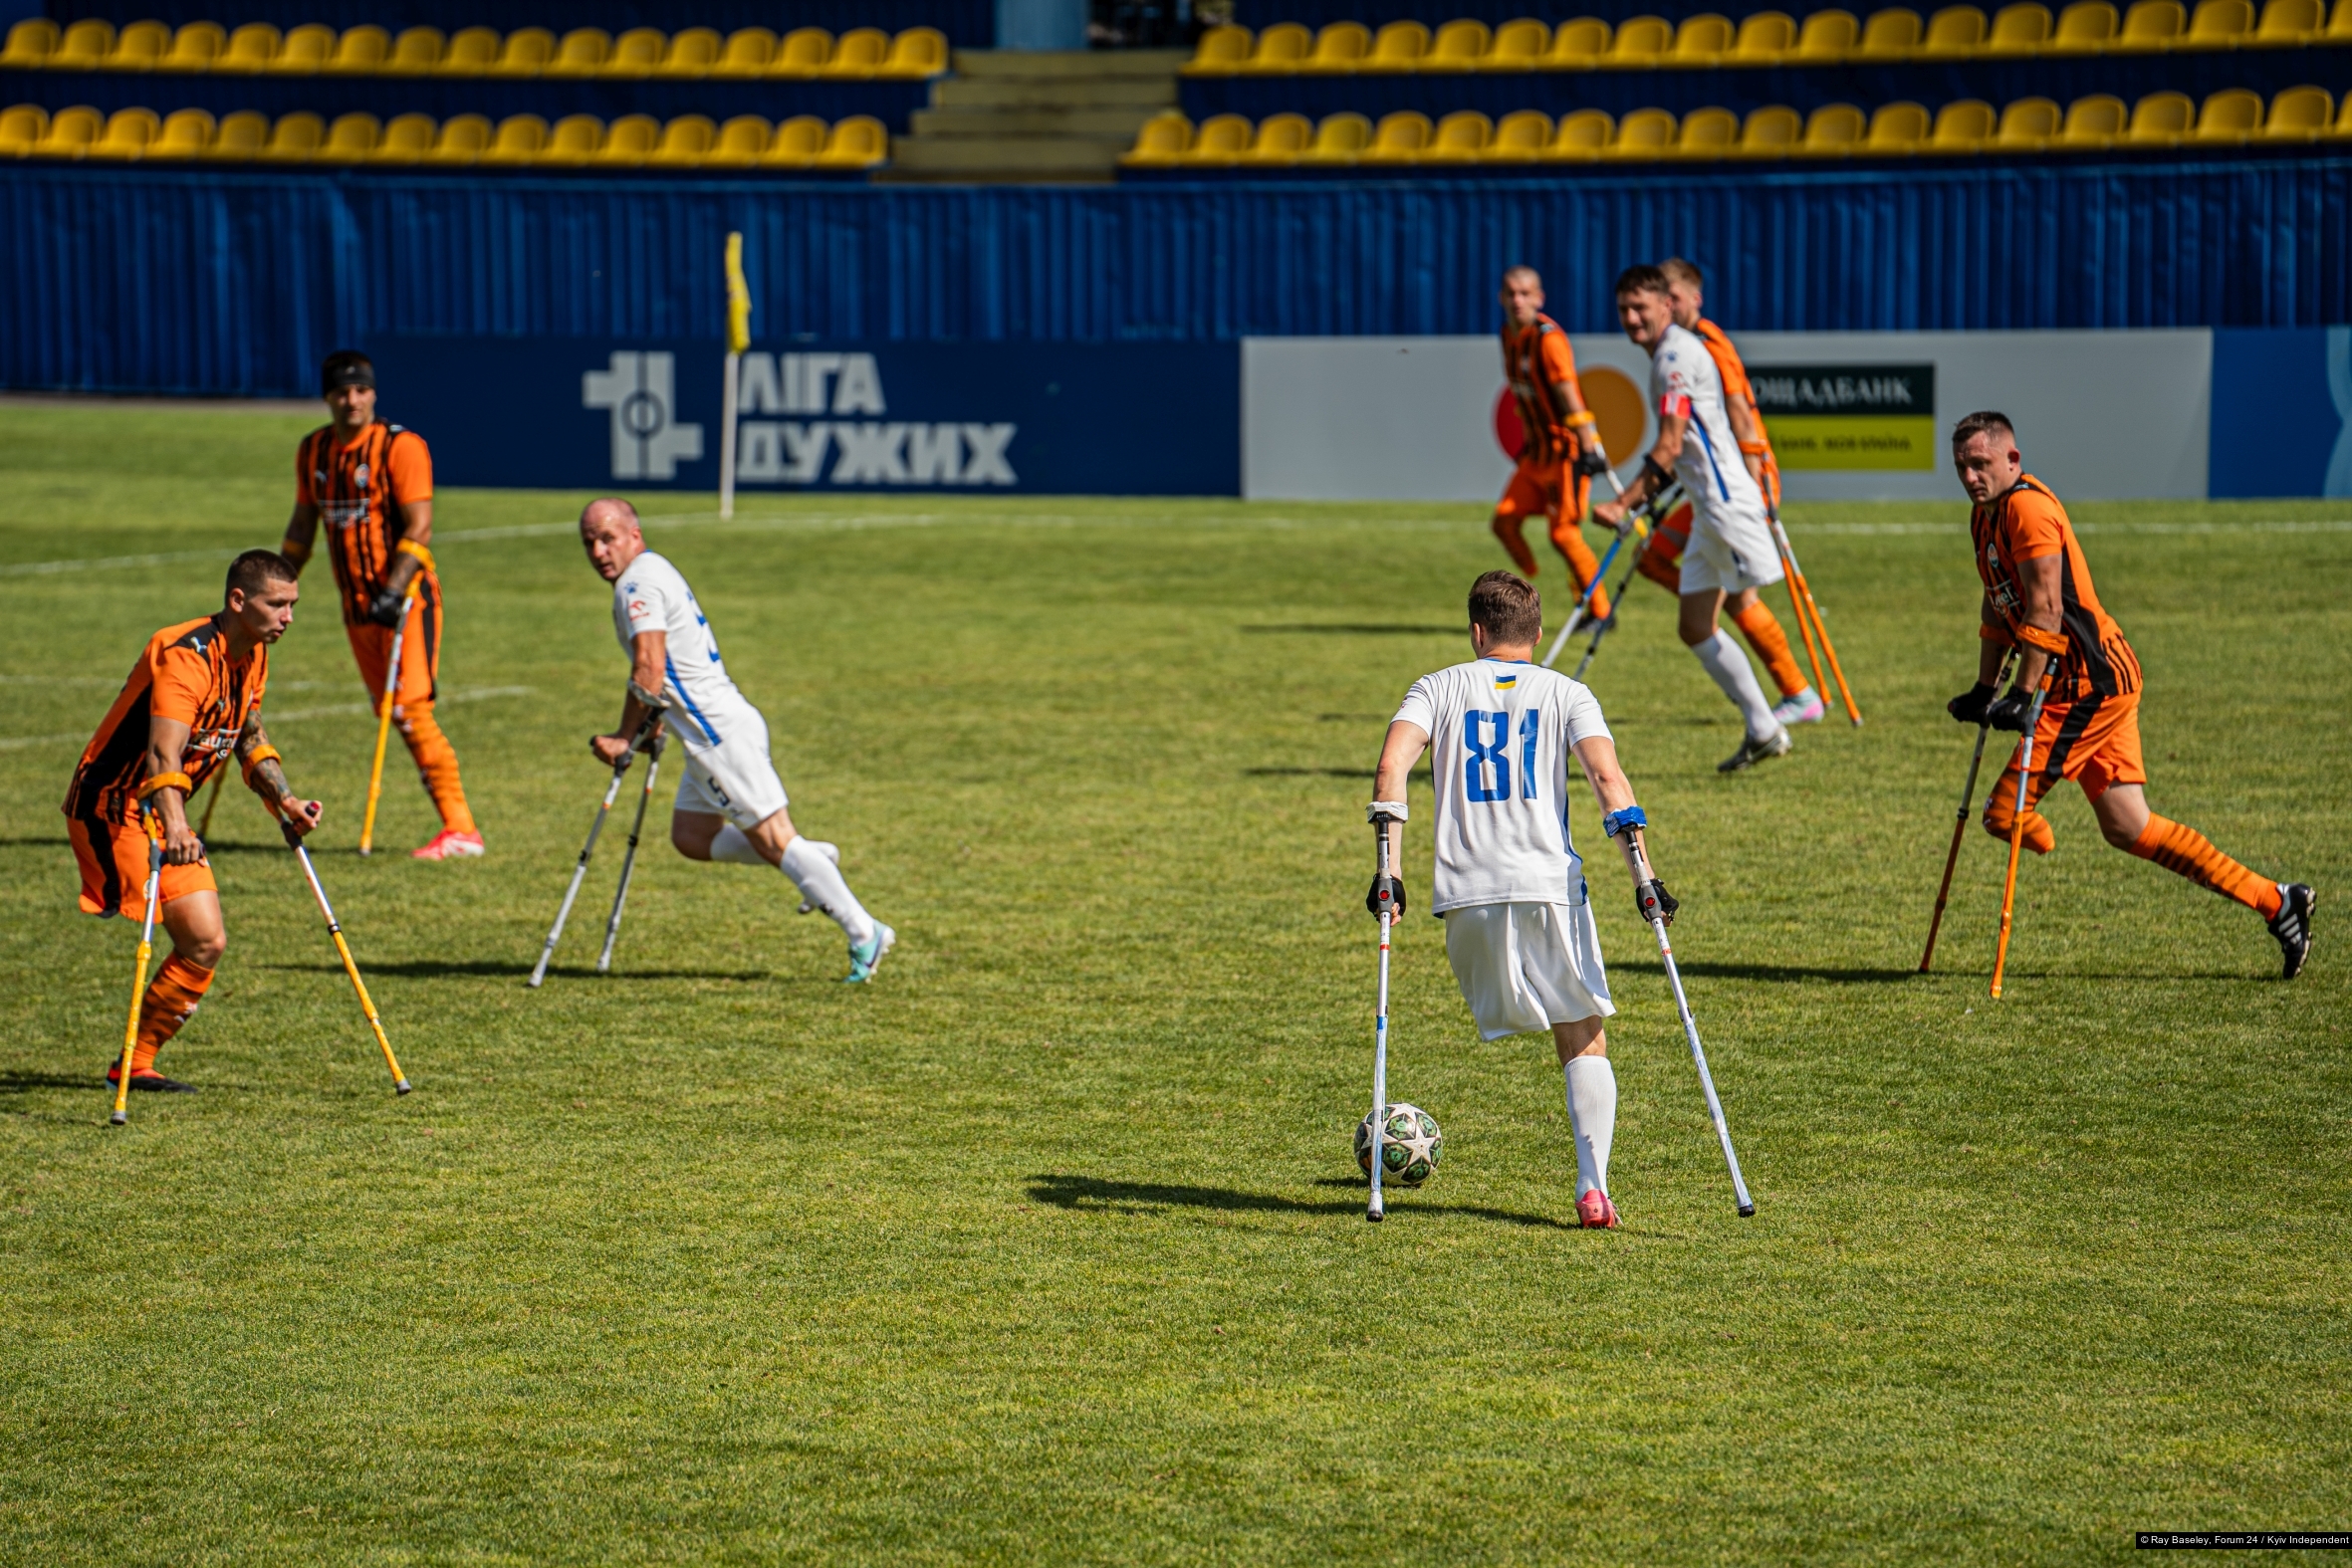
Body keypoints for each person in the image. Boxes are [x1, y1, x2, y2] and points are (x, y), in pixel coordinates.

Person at [1950, 412, 2313, 979]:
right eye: (1962, 468)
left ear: (2012, 461)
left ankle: (2042, 841)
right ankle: (2278, 901)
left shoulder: (2027, 508)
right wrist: (1982, 685)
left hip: (2088, 685)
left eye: (1981, 464)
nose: (1971, 477)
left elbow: (2045, 607)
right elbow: (1999, 604)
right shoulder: (1984, 518)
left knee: (2003, 814)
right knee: (2130, 828)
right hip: (2089, 681)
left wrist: (2020, 696)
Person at [1368, 570, 1679, 1229]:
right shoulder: (1568, 691)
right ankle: (1593, 1186)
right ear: (1537, 634)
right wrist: (1643, 875)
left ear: (1476, 631)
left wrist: (1387, 869)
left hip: (1467, 897)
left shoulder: (1436, 687)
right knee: (1582, 1032)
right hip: (1549, 889)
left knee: (1547, 1020)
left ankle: (1593, 1183)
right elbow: (1606, 778)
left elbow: (1391, 766)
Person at [578, 498, 894, 983]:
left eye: (607, 537)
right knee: (691, 837)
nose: (599, 550)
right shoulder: (652, 570)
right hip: (713, 728)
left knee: (773, 840)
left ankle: (864, 932)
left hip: (715, 735)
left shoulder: (637, 583)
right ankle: (809, 859)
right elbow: (666, 668)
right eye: (589, 543)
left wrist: (625, 737)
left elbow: (649, 667)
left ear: (634, 534)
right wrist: (652, 726)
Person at [65, 551, 325, 1093]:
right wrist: (178, 828)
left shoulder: (253, 652)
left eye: (293, 605)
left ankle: (135, 1064)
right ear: (238, 600)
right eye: (277, 604)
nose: (288, 618)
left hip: (164, 814)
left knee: (206, 942)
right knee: (180, 925)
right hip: (114, 806)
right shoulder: (185, 655)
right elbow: (164, 755)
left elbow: (247, 735)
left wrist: (287, 800)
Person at [280, 348, 482, 860]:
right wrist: (278, 585)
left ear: (373, 393)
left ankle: (461, 830)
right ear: (327, 396)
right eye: (342, 391)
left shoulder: (401, 447)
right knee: (390, 711)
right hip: (356, 608)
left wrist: (394, 590)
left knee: (412, 710)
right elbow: (304, 525)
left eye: (362, 390)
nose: (353, 400)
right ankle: (455, 827)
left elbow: (420, 526)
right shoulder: (314, 452)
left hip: (408, 601)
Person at [1593, 265, 1793, 773]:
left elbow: (1669, 441)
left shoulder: (1675, 355)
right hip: (1709, 511)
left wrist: (1624, 503)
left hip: (1727, 510)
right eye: (1624, 309)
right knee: (1694, 624)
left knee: (1743, 604)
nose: (1632, 317)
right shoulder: (1669, 353)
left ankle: (1797, 696)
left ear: (1667, 305)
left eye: (1641, 306)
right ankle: (1765, 728)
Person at [1654, 257, 1821, 727]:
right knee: (1658, 560)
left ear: (1691, 298)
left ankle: (1797, 693)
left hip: (1734, 486)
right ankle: (1713, 626)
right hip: (1712, 484)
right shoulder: (1684, 346)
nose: (1666, 306)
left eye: (1674, 297)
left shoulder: (1704, 346)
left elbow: (1739, 413)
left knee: (1741, 597)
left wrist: (1755, 480)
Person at [1491, 266, 1617, 623]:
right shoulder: (1506, 335)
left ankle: (1600, 612)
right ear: (1501, 297)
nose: (1518, 300)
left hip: (1565, 454)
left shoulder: (1549, 341)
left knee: (1564, 533)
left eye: (1525, 293)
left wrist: (1589, 447)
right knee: (1504, 521)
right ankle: (1528, 586)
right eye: (1511, 293)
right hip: (1536, 455)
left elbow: (1570, 396)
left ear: (1539, 298)